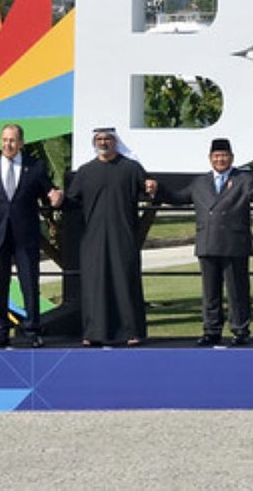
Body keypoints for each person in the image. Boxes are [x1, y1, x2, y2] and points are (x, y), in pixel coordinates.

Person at [157, 137, 253, 347]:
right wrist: (157, 190)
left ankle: (240, 330)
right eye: (216, 156)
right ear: (210, 158)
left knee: (237, 291)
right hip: (207, 242)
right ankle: (211, 330)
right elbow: (179, 198)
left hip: (234, 243)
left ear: (232, 158)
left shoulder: (243, 179)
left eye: (224, 156)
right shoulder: (201, 182)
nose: (220, 160)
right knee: (210, 293)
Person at [65, 126, 157, 346]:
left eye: (107, 138)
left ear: (115, 141)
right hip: (93, 239)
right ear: (94, 142)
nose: (103, 142)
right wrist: (58, 199)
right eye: (99, 138)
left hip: (123, 236)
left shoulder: (131, 168)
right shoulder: (85, 171)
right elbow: (72, 202)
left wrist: (152, 188)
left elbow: (148, 192)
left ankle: (131, 332)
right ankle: (93, 333)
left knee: (125, 281)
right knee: (94, 285)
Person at [0, 123, 62, 349]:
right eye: (4, 140)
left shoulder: (36, 167)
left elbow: (48, 192)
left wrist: (55, 196)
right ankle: (1, 331)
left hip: (26, 236)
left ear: (21, 143)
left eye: (12, 140)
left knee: (29, 284)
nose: (8, 144)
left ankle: (32, 331)